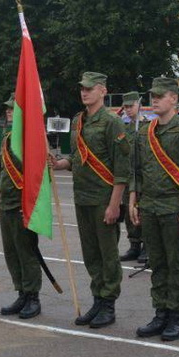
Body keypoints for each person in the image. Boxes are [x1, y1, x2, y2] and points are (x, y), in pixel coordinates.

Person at [50, 72, 130, 328]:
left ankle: (108, 304)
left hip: (104, 198)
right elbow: (77, 158)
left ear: (102, 91)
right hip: (82, 197)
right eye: (82, 89)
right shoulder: (78, 121)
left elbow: (121, 169)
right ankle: (97, 299)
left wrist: (115, 204)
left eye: (89, 89)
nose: (84, 93)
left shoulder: (112, 123)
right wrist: (60, 163)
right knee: (90, 254)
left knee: (107, 254)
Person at [129, 77, 179, 342]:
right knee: (157, 263)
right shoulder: (143, 132)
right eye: (153, 96)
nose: (155, 99)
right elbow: (136, 171)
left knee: (176, 264)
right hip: (148, 206)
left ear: (174, 98)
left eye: (161, 95)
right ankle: (159, 313)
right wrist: (133, 201)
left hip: (175, 206)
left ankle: (175, 317)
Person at [0, 97, 42, 320]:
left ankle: (33, 297)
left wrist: (31, 206)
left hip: (22, 205)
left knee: (27, 253)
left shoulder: (28, 139)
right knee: (11, 252)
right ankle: (21, 292)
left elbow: (36, 176)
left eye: (12, 109)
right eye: (7, 109)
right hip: (7, 203)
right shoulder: (8, 138)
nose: (8, 112)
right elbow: (2, 171)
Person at [117, 91, 147, 265]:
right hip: (128, 177)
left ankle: (147, 246)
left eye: (131, 106)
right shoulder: (124, 128)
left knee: (143, 211)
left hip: (144, 177)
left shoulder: (148, 126)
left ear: (139, 105)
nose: (128, 110)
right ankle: (134, 245)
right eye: (126, 107)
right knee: (129, 212)